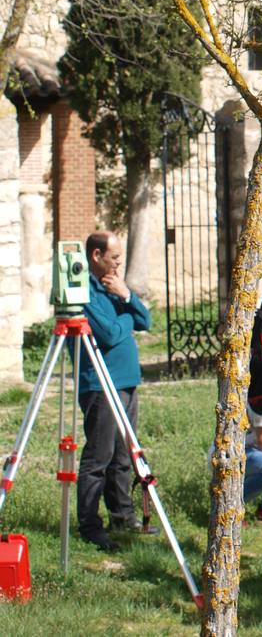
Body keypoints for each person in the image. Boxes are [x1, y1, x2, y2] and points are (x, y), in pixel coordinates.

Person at [76, 231, 155, 552]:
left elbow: (145, 320)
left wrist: (126, 297)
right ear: (96, 256)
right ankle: (90, 524)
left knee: (124, 455)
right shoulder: (84, 289)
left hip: (125, 381)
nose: (119, 263)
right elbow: (108, 334)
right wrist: (127, 317)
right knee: (99, 456)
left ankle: (122, 514)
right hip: (100, 382)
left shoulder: (114, 287)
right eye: (114, 258)